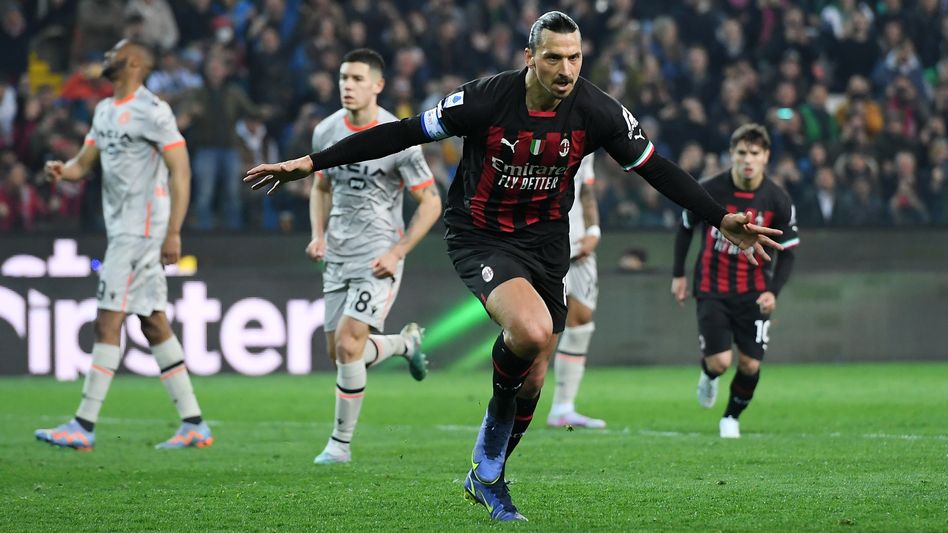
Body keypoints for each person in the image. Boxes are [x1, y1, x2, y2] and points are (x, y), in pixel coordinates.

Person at [245, 12, 782, 521]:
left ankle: (488, 473)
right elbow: (402, 132)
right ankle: (489, 462)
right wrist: (312, 162)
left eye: (574, 57)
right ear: (529, 56)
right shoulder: (485, 99)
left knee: (535, 375)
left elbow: (656, 168)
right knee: (530, 331)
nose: (566, 69)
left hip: (546, 244)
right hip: (480, 235)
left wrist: (718, 218)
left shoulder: (597, 111)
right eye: (553, 57)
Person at [35, 39, 211, 451]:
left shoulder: (153, 111)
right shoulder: (104, 110)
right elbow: (84, 163)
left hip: (141, 230)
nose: (105, 58)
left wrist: (174, 231)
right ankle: (194, 424)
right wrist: (63, 170)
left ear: (132, 62)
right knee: (153, 322)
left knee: (107, 321)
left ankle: (83, 425)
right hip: (123, 229)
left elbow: (181, 170)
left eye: (112, 53)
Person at [305, 48, 442, 465]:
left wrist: (398, 251)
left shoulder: (397, 137)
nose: (347, 86)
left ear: (378, 85)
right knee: (339, 353)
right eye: (343, 78)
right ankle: (404, 344)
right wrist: (317, 235)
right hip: (338, 254)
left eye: (357, 79)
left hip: (378, 255)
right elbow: (321, 188)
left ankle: (339, 445)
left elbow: (431, 202)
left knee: (350, 344)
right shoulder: (326, 131)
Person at [671, 124, 800, 439]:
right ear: (731, 154)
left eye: (754, 153)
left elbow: (788, 252)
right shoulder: (709, 189)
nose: (747, 159)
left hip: (754, 291)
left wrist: (773, 291)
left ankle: (731, 418)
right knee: (719, 362)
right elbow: (686, 227)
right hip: (712, 287)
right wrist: (678, 274)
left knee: (750, 365)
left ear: (766, 156)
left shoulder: (778, 199)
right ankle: (709, 375)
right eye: (741, 152)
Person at [545, 153, 606, 429]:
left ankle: (563, 408)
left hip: (579, 245)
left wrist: (593, 230)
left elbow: (586, 190)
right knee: (541, 328)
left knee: (580, 321)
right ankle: (514, 404)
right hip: (544, 245)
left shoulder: (586, 145)